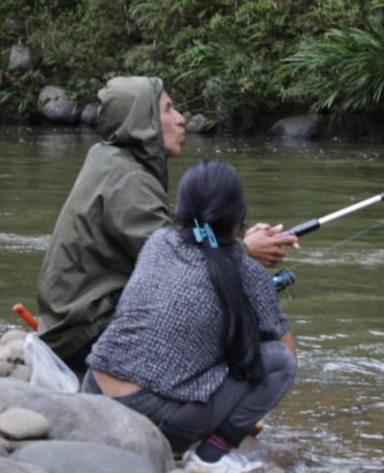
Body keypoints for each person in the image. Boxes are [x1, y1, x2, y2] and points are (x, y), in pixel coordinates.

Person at [35, 76, 298, 371]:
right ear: (141, 120)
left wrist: (239, 234)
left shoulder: (113, 161)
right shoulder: (127, 179)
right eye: (168, 110)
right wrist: (243, 251)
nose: (181, 119)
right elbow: (176, 263)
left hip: (77, 322)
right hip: (83, 333)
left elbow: (175, 229)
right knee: (211, 306)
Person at [82, 160, 297, 473]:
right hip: (147, 416)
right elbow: (285, 356)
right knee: (279, 361)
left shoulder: (158, 242)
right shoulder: (249, 272)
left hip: (94, 390)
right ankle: (211, 456)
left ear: (181, 210)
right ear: (238, 219)